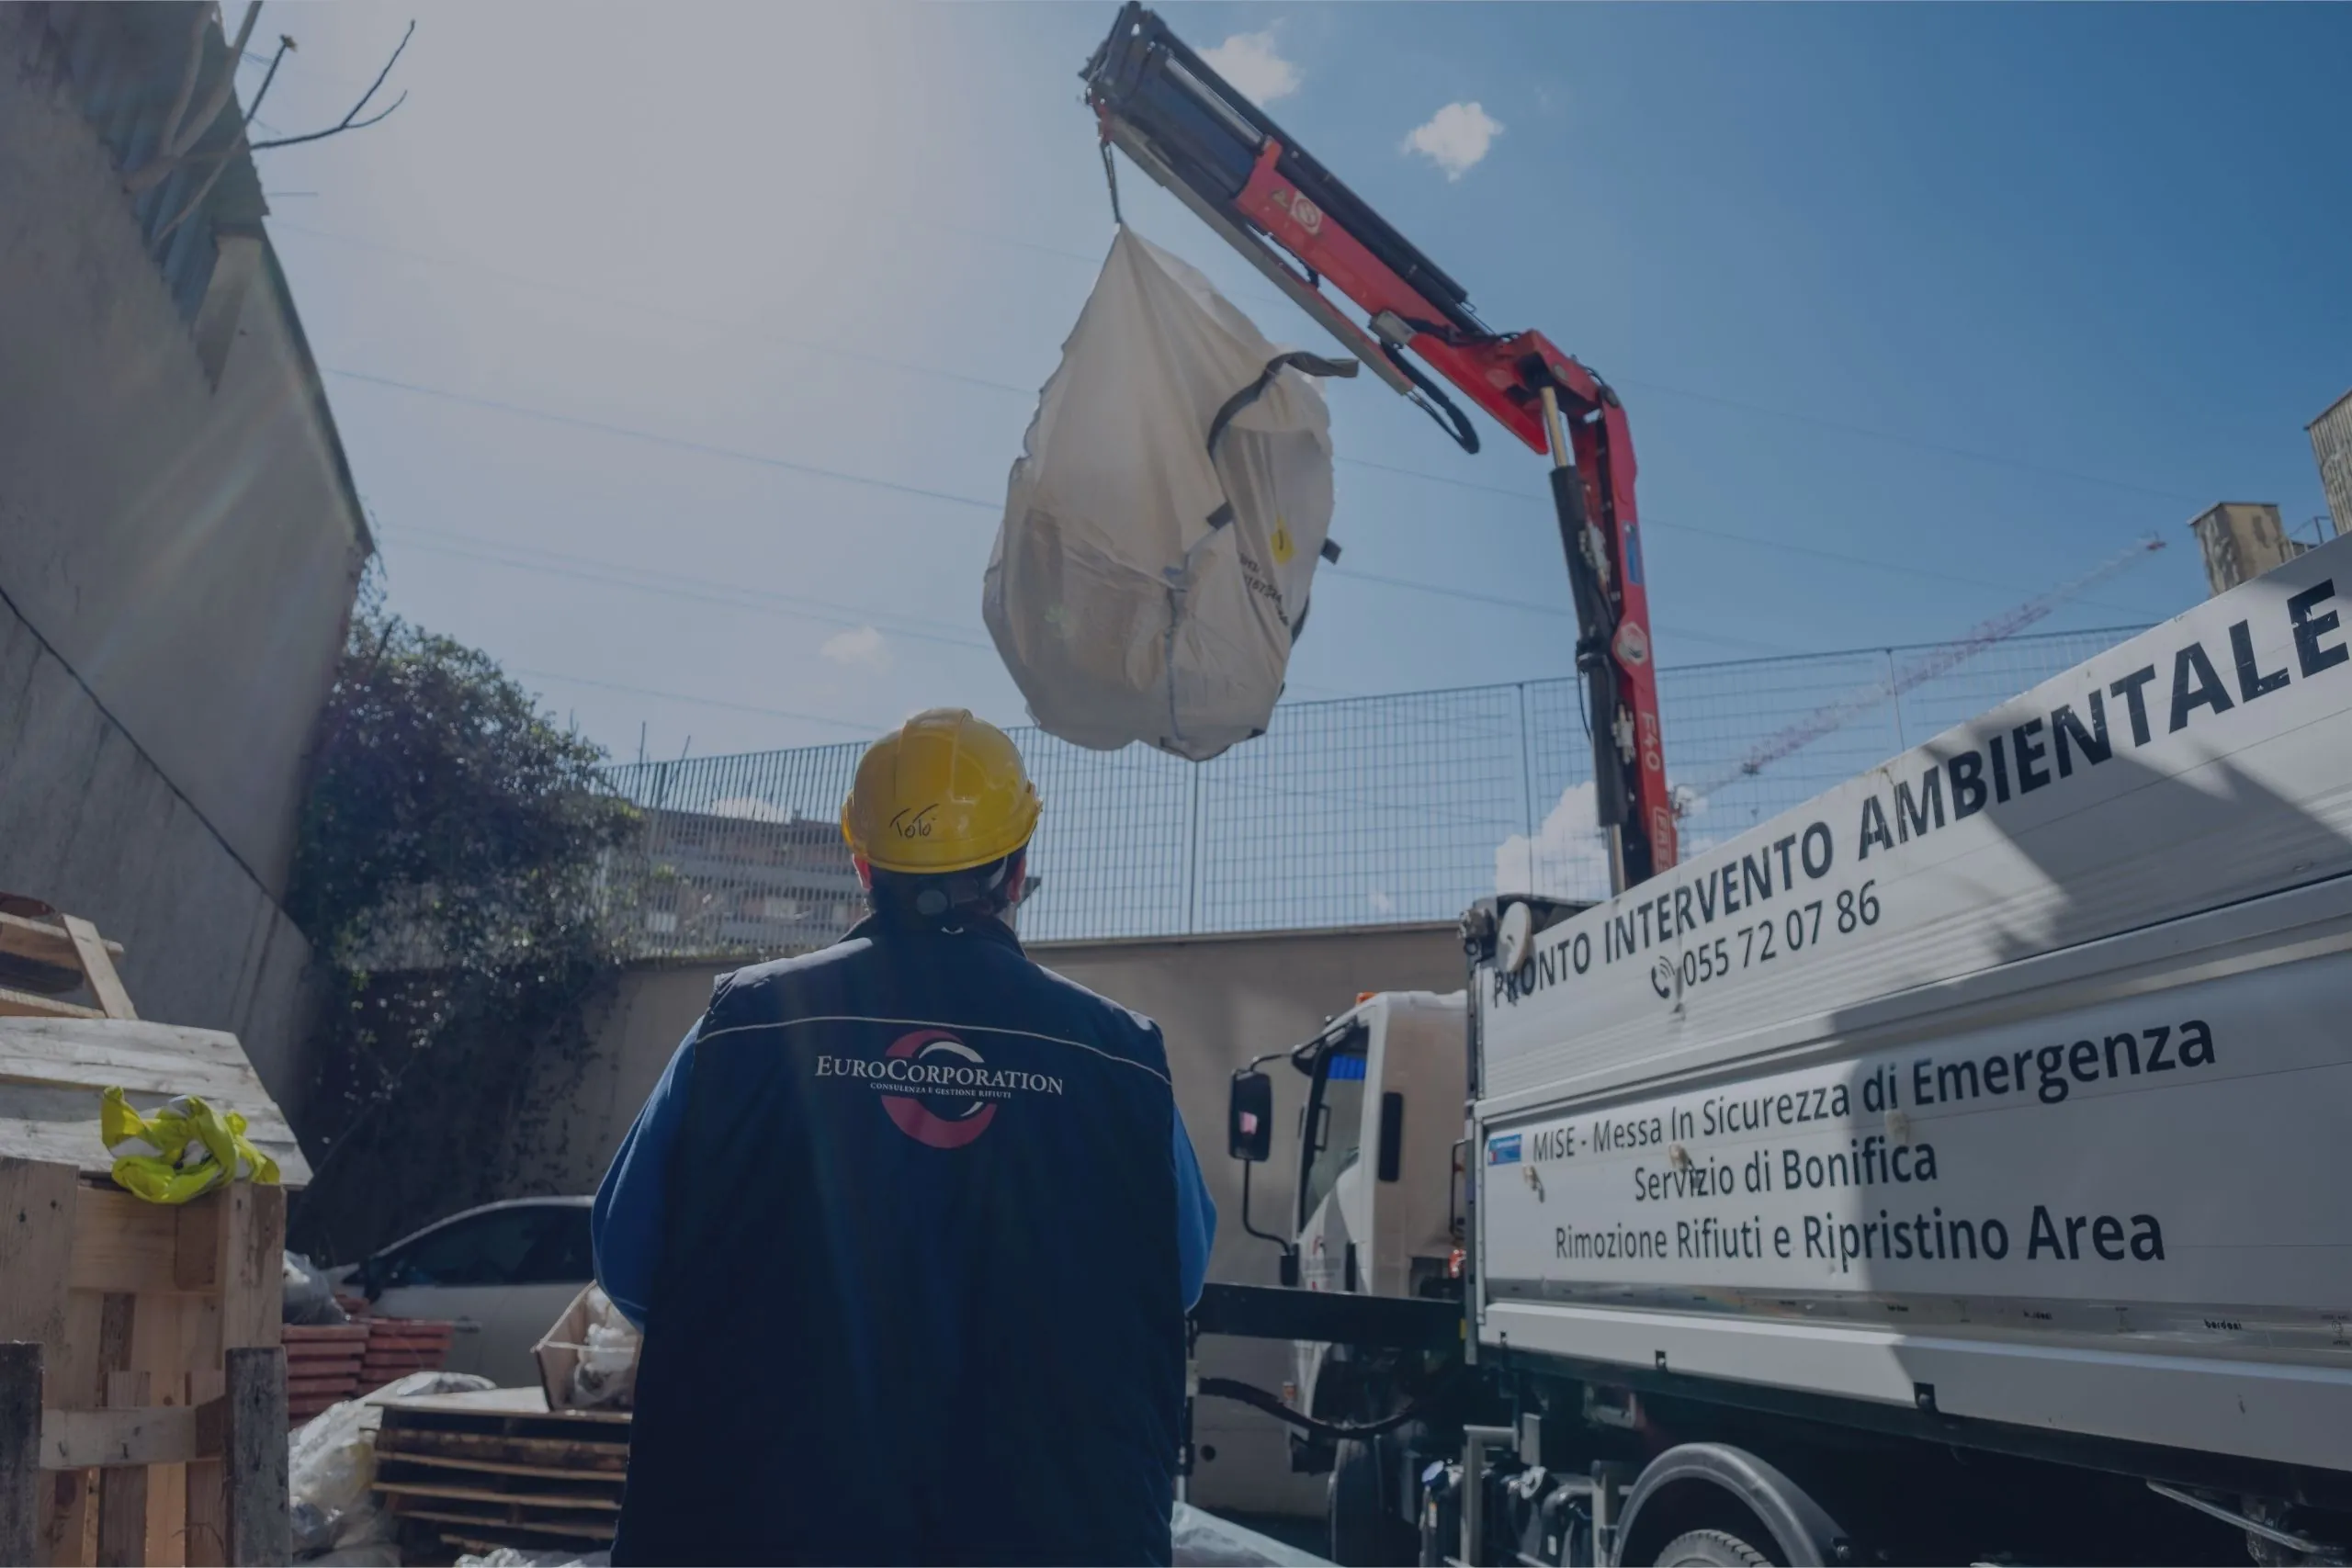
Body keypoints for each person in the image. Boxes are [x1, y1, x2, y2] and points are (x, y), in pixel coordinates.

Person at [593, 708, 1217, 1566]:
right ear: (1019, 868)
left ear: (862, 864)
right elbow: (1176, 1278)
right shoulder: (1122, 1061)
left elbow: (628, 1263)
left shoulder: (742, 1025)